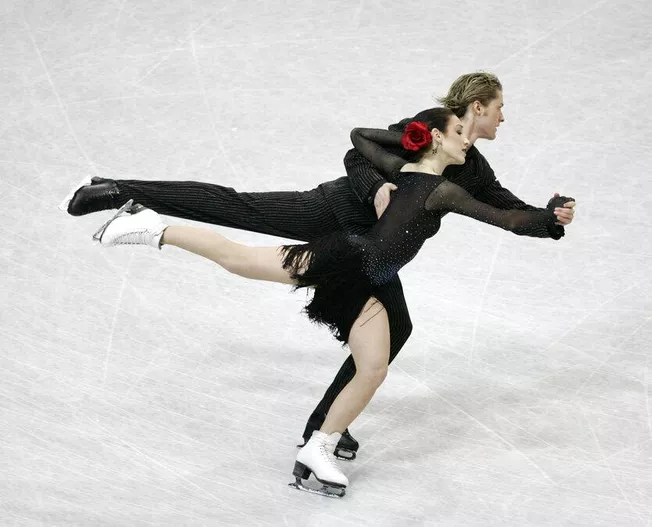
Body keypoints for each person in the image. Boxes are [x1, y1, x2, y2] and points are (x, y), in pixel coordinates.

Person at [60, 72, 576, 461]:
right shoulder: (428, 128)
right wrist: (378, 189)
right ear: (477, 107)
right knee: (238, 208)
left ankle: (325, 428)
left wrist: (550, 217)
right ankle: (118, 191)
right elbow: (359, 157)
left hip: (369, 249)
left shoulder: (473, 166)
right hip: (333, 213)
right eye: (500, 109)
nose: (503, 118)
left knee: (395, 330)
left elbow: (507, 207)